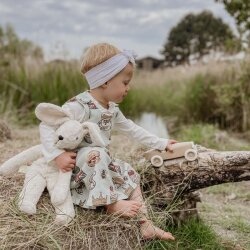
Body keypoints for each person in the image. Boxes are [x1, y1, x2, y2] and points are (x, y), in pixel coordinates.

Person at [39, 43, 176, 241]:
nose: (128, 88)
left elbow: (132, 129)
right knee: (98, 153)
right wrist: (57, 155)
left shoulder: (112, 109)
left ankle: (145, 224)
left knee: (129, 171)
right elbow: (46, 124)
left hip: (100, 165)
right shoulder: (79, 106)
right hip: (78, 167)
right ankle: (112, 205)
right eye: (125, 82)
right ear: (105, 81)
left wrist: (161, 143)